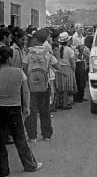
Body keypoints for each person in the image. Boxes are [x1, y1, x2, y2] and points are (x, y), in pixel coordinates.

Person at [0, 46, 42, 176]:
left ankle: (3, 169)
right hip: (14, 108)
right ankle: (30, 165)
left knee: (0, 140)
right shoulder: (18, 72)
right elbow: (25, 91)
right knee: (20, 139)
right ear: (10, 58)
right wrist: (27, 107)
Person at [23, 29, 59, 142]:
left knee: (32, 110)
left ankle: (32, 136)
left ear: (34, 39)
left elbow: (24, 68)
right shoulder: (48, 54)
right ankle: (46, 134)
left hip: (31, 85)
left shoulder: (29, 53)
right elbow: (58, 67)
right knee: (45, 110)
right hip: (45, 84)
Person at [56, 32, 77, 109]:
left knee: (59, 87)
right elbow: (72, 62)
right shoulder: (70, 50)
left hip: (58, 68)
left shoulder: (57, 48)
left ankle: (58, 103)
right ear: (67, 41)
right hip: (67, 68)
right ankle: (65, 104)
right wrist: (74, 69)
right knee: (66, 88)